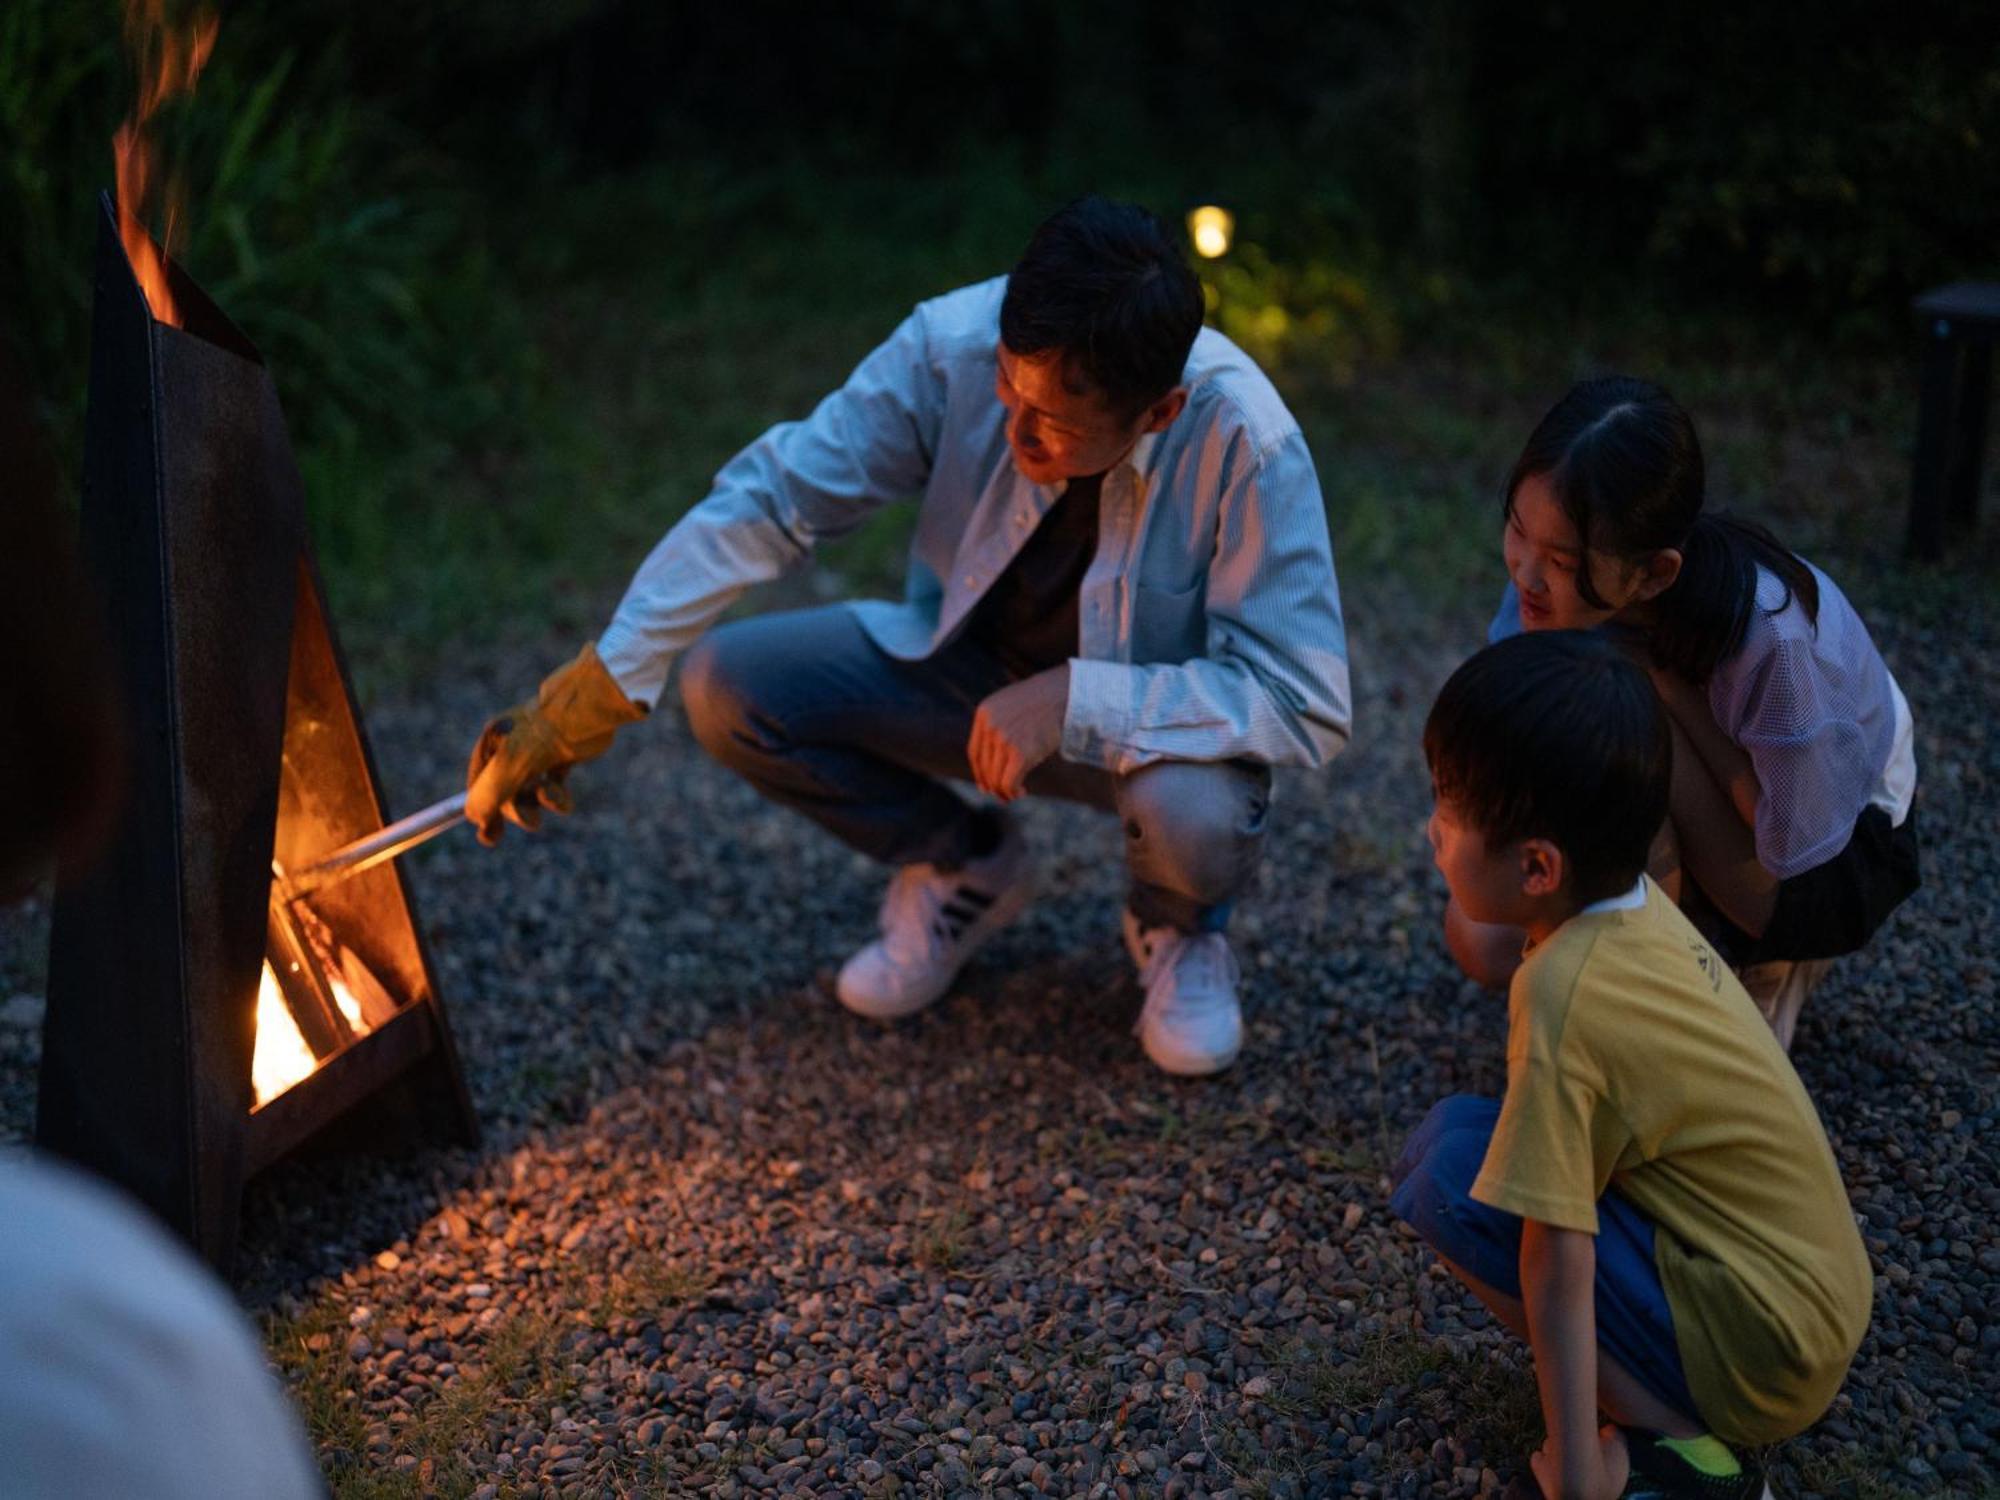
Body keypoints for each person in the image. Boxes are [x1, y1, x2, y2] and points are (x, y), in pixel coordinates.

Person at [465, 196, 1351, 1075]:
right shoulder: (950, 349)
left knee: (1192, 819)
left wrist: (1078, 701)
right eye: (1009, 382)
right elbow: (775, 497)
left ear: (1156, 413)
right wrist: (601, 686)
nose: (1015, 428)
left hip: (1142, 747)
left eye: (1055, 423)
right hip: (963, 684)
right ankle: (967, 867)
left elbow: (1301, 698)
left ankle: (1181, 927)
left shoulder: (1245, 440)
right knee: (727, 686)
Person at [1396, 630, 1870, 1500]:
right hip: (1808, 1302)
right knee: (1456, 1138)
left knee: (1452, 1188)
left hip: (1767, 1349)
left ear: (1539, 866)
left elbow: (1555, 1257)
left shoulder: (1565, 992)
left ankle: (1679, 1446)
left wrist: (1577, 1470)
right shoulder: (1633, 906)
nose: (1433, 829)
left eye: (1448, 809)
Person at [1444, 376, 1918, 1048]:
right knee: (1484, 934)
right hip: (1741, 805)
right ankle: (1650, 962)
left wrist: (1663, 688)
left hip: (1834, 849)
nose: (1525, 574)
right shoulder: (1553, 579)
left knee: (1625, 715)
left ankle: (1734, 975)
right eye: (1518, 531)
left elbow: (1795, 837)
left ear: (1657, 572)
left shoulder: (1767, 641)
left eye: (1558, 559)